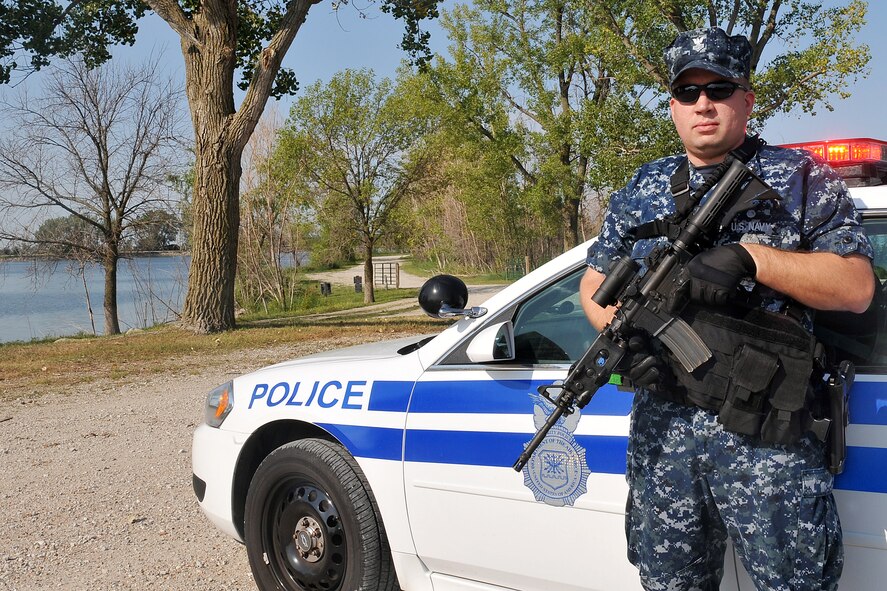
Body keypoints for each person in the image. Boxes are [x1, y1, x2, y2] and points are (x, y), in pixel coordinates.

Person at [579, 27, 875, 591]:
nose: (703, 104)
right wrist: (629, 340)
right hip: (665, 437)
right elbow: (595, 281)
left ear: (747, 100)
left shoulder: (800, 179)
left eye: (718, 89)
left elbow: (856, 286)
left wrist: (752, 258)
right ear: (673, 105)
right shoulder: (644, 186)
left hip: (768, 440)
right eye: (687, 92)